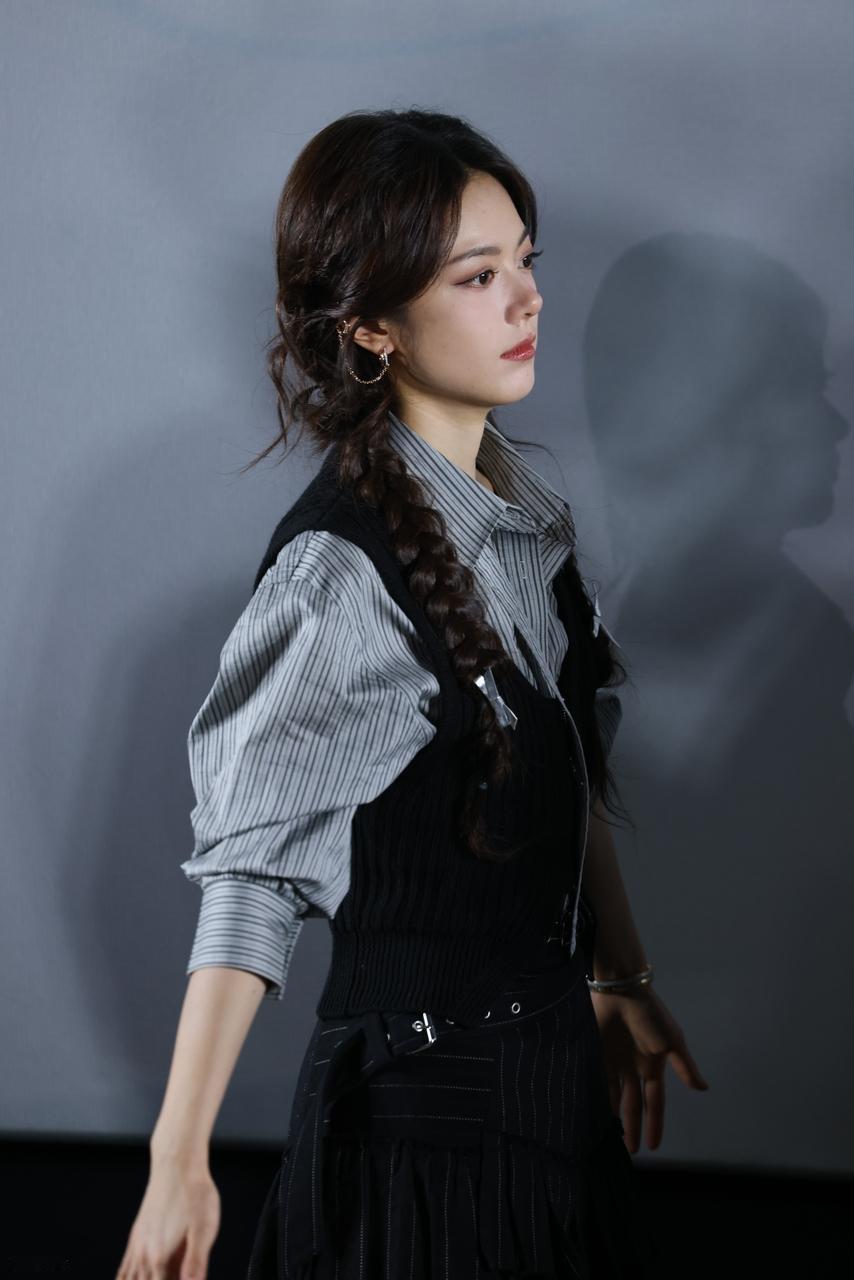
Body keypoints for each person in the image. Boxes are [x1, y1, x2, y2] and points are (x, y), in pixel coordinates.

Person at [116, 107, 708, 1280]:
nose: (527, 299)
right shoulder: (337, 575)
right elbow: (251, 881)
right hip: (422, 1148)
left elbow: (557, 776)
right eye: (477, 276)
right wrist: (176, 1156)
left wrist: (615, 972)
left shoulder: (521, 517)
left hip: (552, 1101)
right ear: (372, 325)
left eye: (523, 261)